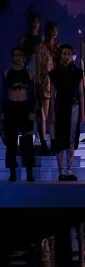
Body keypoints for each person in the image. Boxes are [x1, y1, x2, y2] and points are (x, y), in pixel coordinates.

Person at [49, 45, 84, 181]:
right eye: (64, 53)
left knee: (71, 137)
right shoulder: (54, 73)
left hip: (74, 106)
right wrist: (52, 112)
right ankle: (61, 171)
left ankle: (69, 170)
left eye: (69, 53)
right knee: (60, 136)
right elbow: (52, 95)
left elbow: (81, 93)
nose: (67, 56)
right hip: (60, 106)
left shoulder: (77, 72)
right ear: (60, 55)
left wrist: (82, 112)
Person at [3, 46, 36, 182]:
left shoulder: (29, 73)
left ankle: (29, 172)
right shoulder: (7, 73)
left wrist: (32, 111)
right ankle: (12, 172)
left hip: (25, 108)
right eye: (15, 55)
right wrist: (2, 112)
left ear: (24, 57)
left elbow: (32, 94)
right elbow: (4, 93)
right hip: (11, 108)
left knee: (27, 141)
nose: (17, 57)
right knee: (11, 141)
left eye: (20, 55)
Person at [35, 21, 59, 154]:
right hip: (45, 82)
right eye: (53, 30)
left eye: (56, 30)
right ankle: (43, 141)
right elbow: (38, 66)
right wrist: (38, 83)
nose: (55, 33)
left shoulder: (58, 48)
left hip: (56, 83)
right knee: (44, 113)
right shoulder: (41, 47)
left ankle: (54, 142)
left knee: (54, 115)